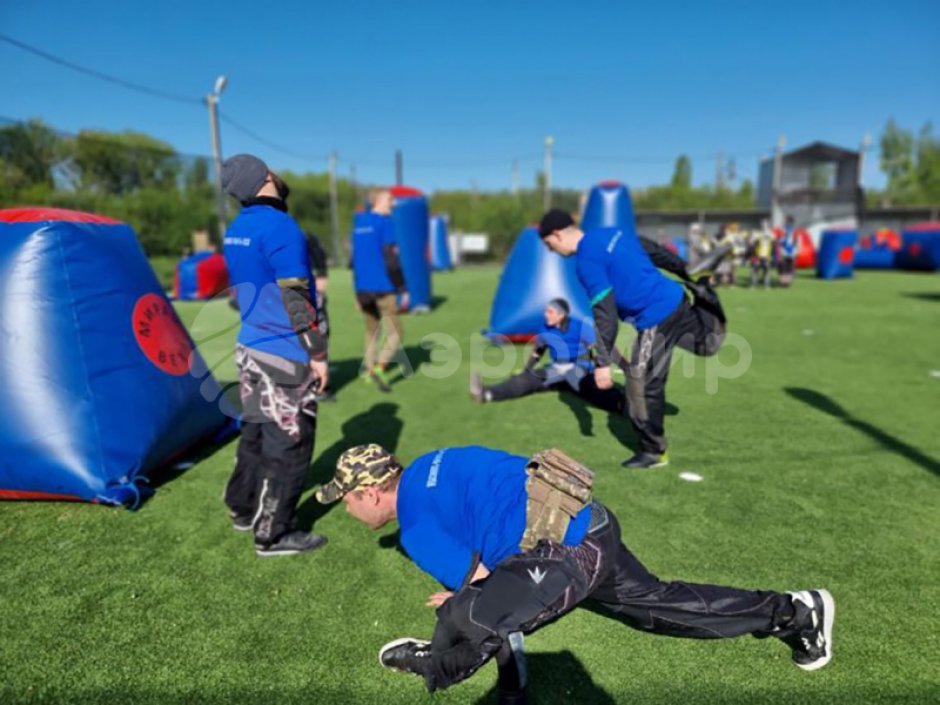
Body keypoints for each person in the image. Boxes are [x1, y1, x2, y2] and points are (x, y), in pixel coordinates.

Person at [315, 444, 835, 703]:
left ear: (369, 493)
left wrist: (463, 604)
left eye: (345, 502)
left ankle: (432, 664)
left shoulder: (415, 529)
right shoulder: (434, 460)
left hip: (568, 553)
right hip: (592, 523)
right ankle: (796, 611)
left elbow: (483, 594)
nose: (347, 512)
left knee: (467, 622)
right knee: (660, 607)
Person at [538, 209, 727, 468]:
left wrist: (603, 363)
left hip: (654, 319)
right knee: (709, 344)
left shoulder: (586, 261)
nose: (551, 251)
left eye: (549, 244)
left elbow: (605, 311)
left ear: (557, 235)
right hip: (676, 298)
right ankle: (705, 293)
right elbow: (653, 250)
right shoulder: (611, 233)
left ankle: (653, 451)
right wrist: (685, 270)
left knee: (640, 383)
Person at [220, 153, 328, 557]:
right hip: (283, 352)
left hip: (249, 346)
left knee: (255, 433)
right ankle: (273, 532)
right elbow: (296, 296)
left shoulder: (237, 228)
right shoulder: (281, 227)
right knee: (289, 443)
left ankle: (242, 506)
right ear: (266, 177)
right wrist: (317, 353)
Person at [469, 298, 623, 414]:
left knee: (595, 390)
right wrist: (527, 370)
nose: (545, 314)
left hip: (579, 369)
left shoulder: (580, 326)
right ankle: (486, 393)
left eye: (550, 312)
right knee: (524, 380)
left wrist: (625, 366)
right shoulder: (544, 328)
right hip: (556, 370)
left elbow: (603, 346)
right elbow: (538, 351)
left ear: (561, 315)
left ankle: (624, 405)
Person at [350, 189, 408, 393]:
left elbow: (354, 260)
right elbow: (392, 259)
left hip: (363, 287)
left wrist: (357, 291)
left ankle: (367, 369)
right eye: (390, 200)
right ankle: (380, 366)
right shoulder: (385, 222)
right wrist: (403, 288)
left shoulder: (359, 223)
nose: (393, 204)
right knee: (396, 333)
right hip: (384, 287)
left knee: (371, 331)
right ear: (379, 201)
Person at [304, 230, 336, 401]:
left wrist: (320, 291)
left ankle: (322, 386)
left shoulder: (306, 238)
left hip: (312, 295)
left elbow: (321, 266)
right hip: (294, 297)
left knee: (320, 335)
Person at [748, 220, 775, 289]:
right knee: (755, 269)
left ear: (768, 225)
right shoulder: (757, 233)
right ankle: (753, 284)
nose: (764, 226)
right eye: (763, 225)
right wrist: (751, 237)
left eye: (765, 225)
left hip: (767, 255)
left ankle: (766, 285)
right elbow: (750, 242)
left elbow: (774, 240)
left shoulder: (770, 233)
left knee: (767, 270)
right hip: (758, 255)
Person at [778, 215, 798, 288]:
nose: (784, 221)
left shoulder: (787, 230)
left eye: (785, 220)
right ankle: (786, 282)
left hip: (788, 251)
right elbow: (795, 241)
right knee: (787, 267)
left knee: (785, 267)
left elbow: (794, 241)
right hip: (788, 251)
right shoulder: (791, 230)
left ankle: (785, 282)